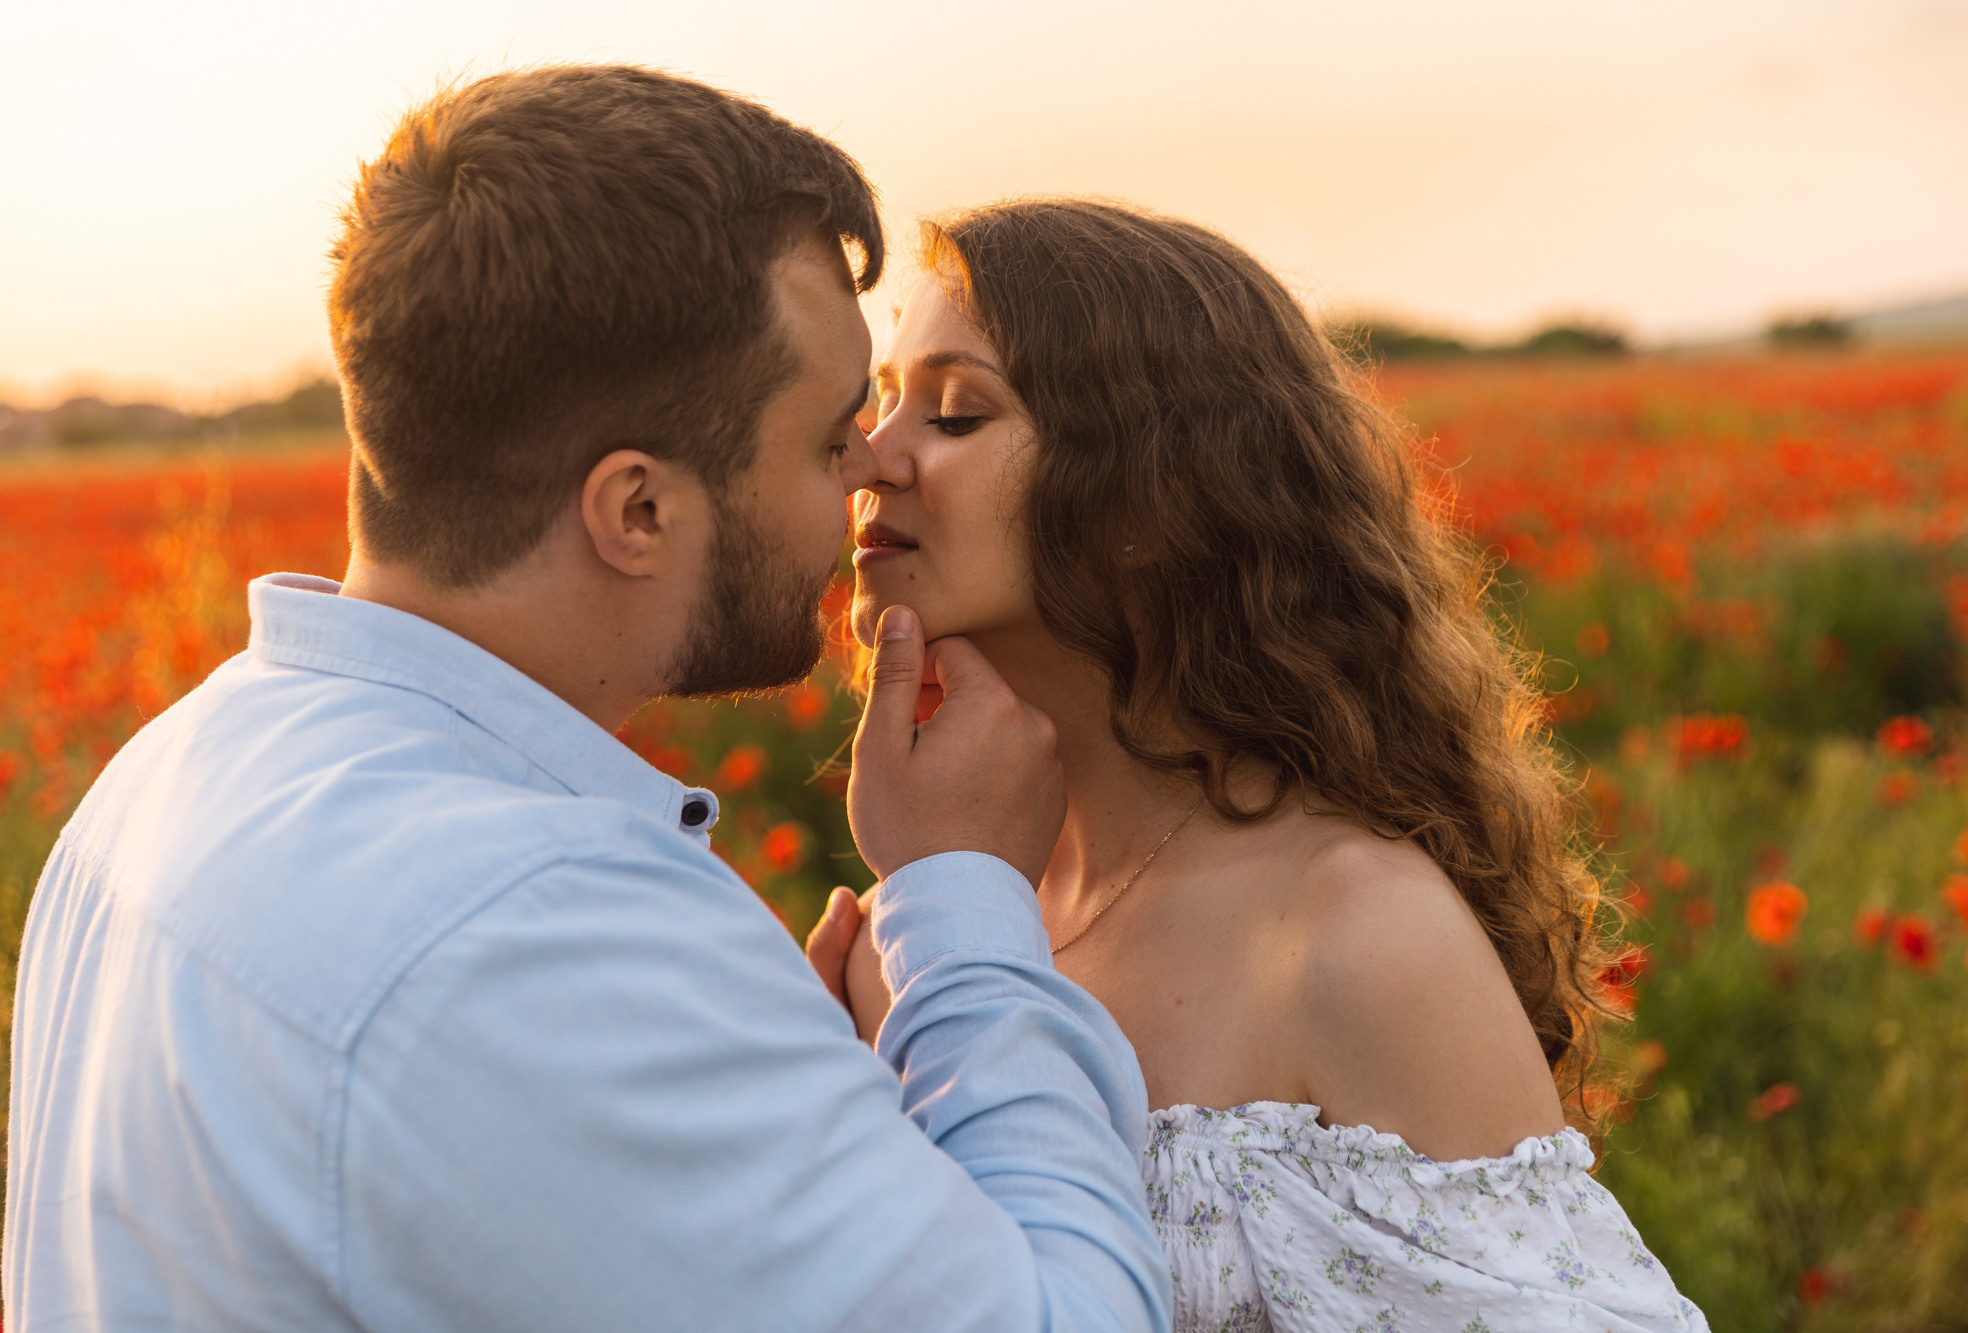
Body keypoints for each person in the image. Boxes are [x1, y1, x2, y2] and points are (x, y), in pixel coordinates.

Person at [4, 70, 1172, 1332]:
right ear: (638, 510)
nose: (868, 468)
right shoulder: (532, 927)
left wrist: (784, 1098)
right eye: (827, 436)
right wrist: (959, 913)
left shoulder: (173, 770)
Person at [838, 200, 1709, 1332]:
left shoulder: (1352, 930)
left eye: (955, 413)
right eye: (883, 397)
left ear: (1150, 496)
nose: (870, 454)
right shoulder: (931, 918)